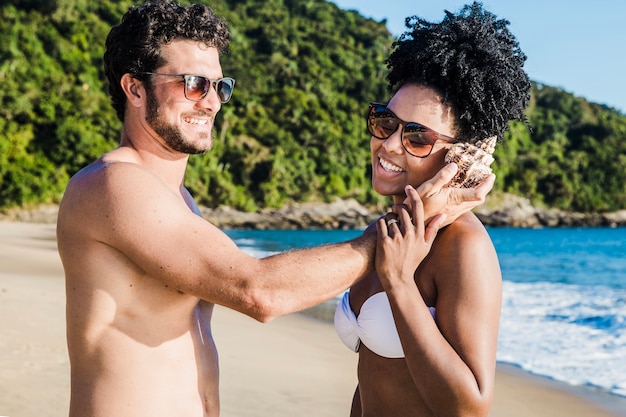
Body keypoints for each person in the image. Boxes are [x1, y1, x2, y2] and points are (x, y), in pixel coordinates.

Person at [55, 2, 495, 417]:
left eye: (218, 86)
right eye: (192, 84)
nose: (210, 102)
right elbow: (257, 291)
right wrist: (399, 231)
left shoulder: (180, 202)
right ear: (134, 87)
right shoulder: (114, 186)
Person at [334, 3, 531, 417]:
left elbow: (471, 407)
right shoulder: (387, 229)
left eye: (417, 137)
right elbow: (370, 378)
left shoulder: (463, 247)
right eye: (385, 122)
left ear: (457, 156)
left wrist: (400, 284)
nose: (388, 145)